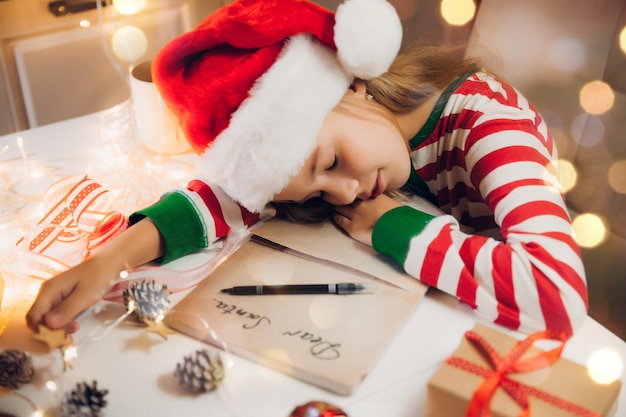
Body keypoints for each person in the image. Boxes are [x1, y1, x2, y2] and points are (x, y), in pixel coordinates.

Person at [26, 0, 588, 338]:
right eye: (319, 183)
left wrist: (390, 226)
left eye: (332, 163)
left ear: (353, 84)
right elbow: (229, 199)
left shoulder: (488, 125)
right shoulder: (339, 141)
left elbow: (558, 293)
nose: (345, 194)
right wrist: (110, 260)